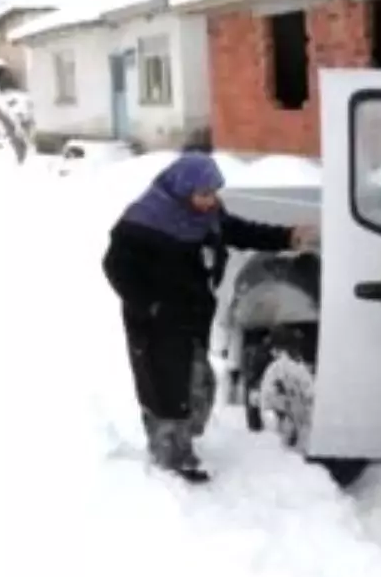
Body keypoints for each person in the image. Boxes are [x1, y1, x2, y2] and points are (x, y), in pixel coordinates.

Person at [102, 151, 317, 483]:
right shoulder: (141, 223)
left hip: (192, 315)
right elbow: (116, 268)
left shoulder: (206, 214)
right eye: (203, 193)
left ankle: (180, 439)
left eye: (213, 192)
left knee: (199, 385)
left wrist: (287, 237)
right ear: (182, 188)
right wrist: (151, 306)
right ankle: (173, 459)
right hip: (157, 325)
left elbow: (238, 231)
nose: (210, 200)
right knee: (167, 390)